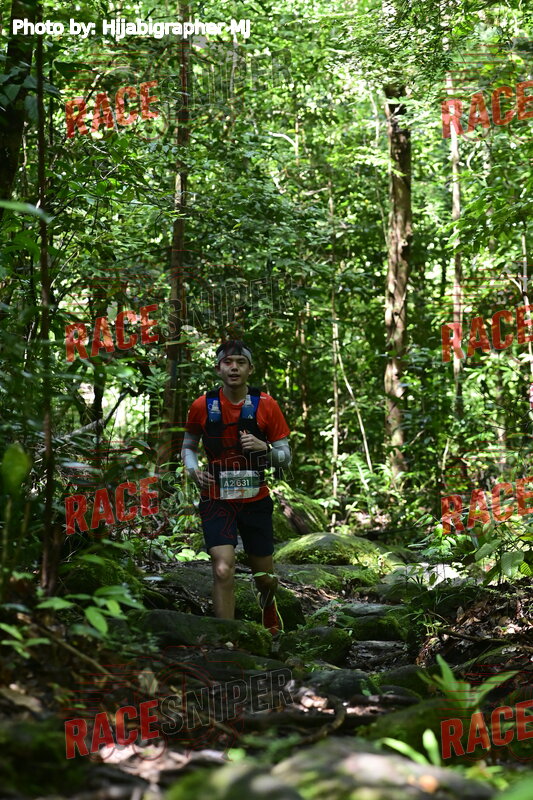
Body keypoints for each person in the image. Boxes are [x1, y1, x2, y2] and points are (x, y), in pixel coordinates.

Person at [181, 340, 291, 635]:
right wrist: (193, 471)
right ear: (218, 368)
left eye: (240, 362)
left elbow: (286, 457)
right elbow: (188, 446)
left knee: (264, 577)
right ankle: (226, 638)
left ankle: (269, 606)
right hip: (216, 498)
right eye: (228, 362)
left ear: (250, 369)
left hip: (255, 499)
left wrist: (265, 448)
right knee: (222, 568)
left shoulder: (267, 405)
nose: (234, 368)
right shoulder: (202, 406)